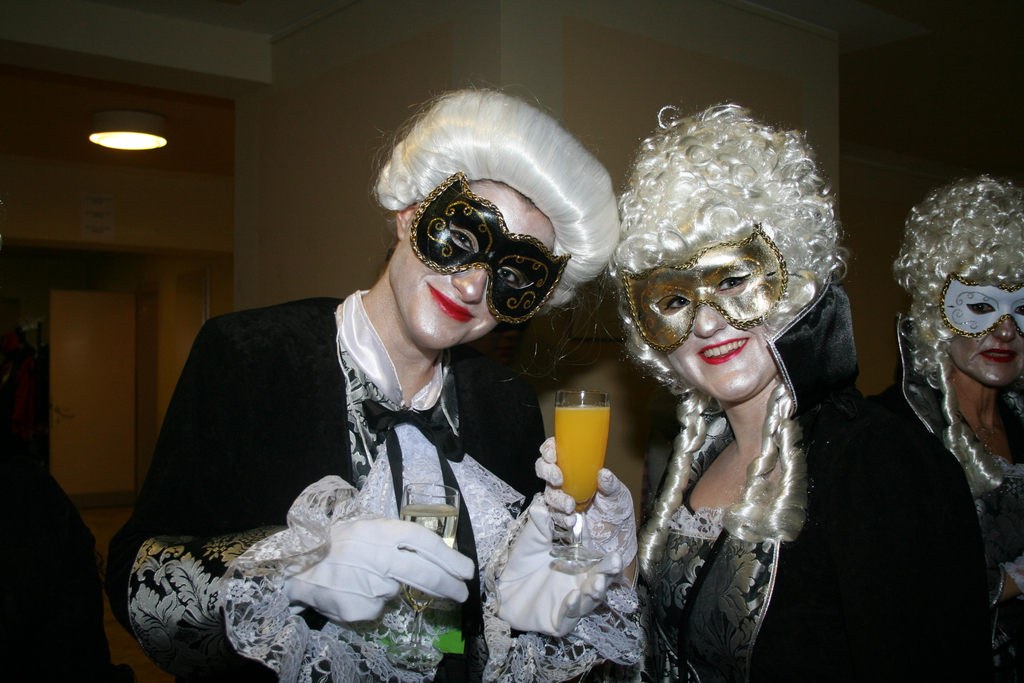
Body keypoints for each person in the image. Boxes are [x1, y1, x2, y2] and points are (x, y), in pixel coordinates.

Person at [106, 89, 639, 683]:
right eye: (462, 240)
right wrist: (288, 572)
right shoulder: (249, 355)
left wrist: (526, 607)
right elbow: (135, 572)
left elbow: (481, 629)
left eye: (512, 276)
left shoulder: (506, 404)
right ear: (409, 212)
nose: (472, 287)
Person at [610, 104, 992, 682]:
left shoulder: (878, 462)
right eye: (675, 299)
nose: (707, 323)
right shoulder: (695, 459)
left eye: (732, 280)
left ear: (796, 277)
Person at [871, 175, 1024, 680]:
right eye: (980, 306)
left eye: (1022, 308)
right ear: (936, 315)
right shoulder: (889, 433)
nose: (1006, 331)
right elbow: (896, 592)